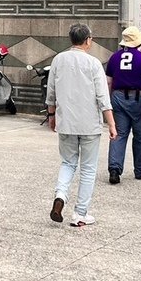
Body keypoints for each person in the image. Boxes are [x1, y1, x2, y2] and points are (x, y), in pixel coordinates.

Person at [46, 23, 117, 227]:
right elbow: (103, 97)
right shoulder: (94, 63)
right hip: (89, 125)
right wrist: (111, 123)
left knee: (68, 163)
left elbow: (51, 93)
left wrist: (52, 115)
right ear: (87, 40)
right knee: (87, 168)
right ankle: (80, 213)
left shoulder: (58, 60)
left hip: (66, 121)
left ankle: (60, 196)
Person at [105, 25, 141, 183]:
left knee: (119, 134)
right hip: (138, 99)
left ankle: (115, 169)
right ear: (138, 43)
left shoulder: (114, 58)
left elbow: (108, 82)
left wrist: (107, 103)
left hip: (117, 98)